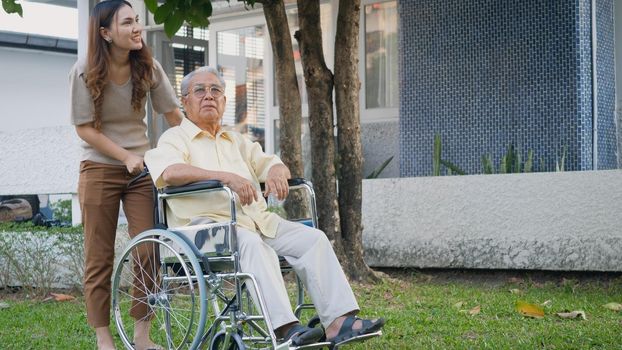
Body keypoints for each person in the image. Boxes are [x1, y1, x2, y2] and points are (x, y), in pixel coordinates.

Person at [144, 66, 385, 347]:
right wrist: (225, 177)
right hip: (204, 228)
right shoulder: (175, 138)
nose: (208, 96)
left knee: (313, 239)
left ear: (224, 101)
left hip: (254, 221)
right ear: (185, 101)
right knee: (252, 245)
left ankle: (339, 323)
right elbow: (170, 173)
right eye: (200, 90)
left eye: (216, 91)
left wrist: (275, 172)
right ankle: (286, 328)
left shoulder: (236, 140)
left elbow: (272, 162)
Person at [69, 1, 184, 349]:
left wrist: (194, 147)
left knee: (149, 249)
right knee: (99, 256)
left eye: (137, 21)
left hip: (141, 171)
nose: (137, 28)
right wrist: (124, 156)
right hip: (99, 168)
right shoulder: (85, 70)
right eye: (128, 22)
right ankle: (104, 338)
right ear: (105, 33)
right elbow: (85, 129)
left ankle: (142, 336)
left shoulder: (147, 66)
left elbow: (174, 115)